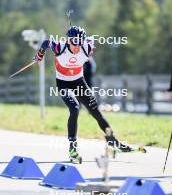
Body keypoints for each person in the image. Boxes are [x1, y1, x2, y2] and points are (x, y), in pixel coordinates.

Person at [34, 26, 133, 163]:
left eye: (79, 42)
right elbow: (45, 43)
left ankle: (113, 141)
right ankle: (72, 149)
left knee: (96, 111)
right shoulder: (60, 48)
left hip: (79, 82)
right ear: (68, 40)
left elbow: (90, 43)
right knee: (74, 108)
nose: (76, 46)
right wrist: (39, 55)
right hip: (63, 83)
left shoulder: (86, 47)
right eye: (74, 41)